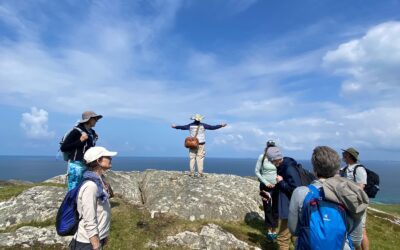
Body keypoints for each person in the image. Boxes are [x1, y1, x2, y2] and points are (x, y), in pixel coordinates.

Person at [288, 146, 363, 250]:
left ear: (314, 169)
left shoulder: (300, 193)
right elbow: (356, 239)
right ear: (337, 170)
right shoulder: (349, 195)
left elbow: (294, 230)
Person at [69, 146, 117, 250]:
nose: (111, 158)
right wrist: (96, 244)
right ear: (99, 160)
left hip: (97, 238)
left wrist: (104, 235)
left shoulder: (100, 182)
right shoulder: (91, 186)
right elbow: (89, 218)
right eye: (107, 157)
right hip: (87, 242)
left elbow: (102, 212)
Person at [267, 146, 302, 250]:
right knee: (295, 237)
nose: (270, 162)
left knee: (282, 238)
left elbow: (296, 189)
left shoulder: (288, 168)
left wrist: (281, 182)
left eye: (271, 160)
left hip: (290, 208)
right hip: (290, 207)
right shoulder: (283, 166)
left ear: (275, 159)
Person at [61, 111, 102, 190]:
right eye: (95, 118)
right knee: (73, 189)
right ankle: (71, 202)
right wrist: (80, 141)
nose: (96, 120)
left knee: (83, 188)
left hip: (86, 165)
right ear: (89, 119)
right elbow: (64, 147)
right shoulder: (76, 131)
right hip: (76, 165)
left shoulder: (91, 132)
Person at [341, 147, 369, 250]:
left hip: (358, 203)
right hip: (349, 203)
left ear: (349, 155)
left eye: (345, 154)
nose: (343, 155)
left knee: (361, 229)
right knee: (354, 230)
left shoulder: (359, 169)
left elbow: (361, 187)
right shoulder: (346, 168)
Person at [255, 140, 278, 241]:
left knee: (276, 208)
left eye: (272, 147)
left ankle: (274, 230)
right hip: (265, 187)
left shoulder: (277, 158)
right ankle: (269, 231)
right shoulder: (262, 157)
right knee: (267, 208)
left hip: (277, 187)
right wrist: (265, 182)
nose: (271, 149)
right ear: (267, 148)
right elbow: (257, 171)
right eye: (269, 147)